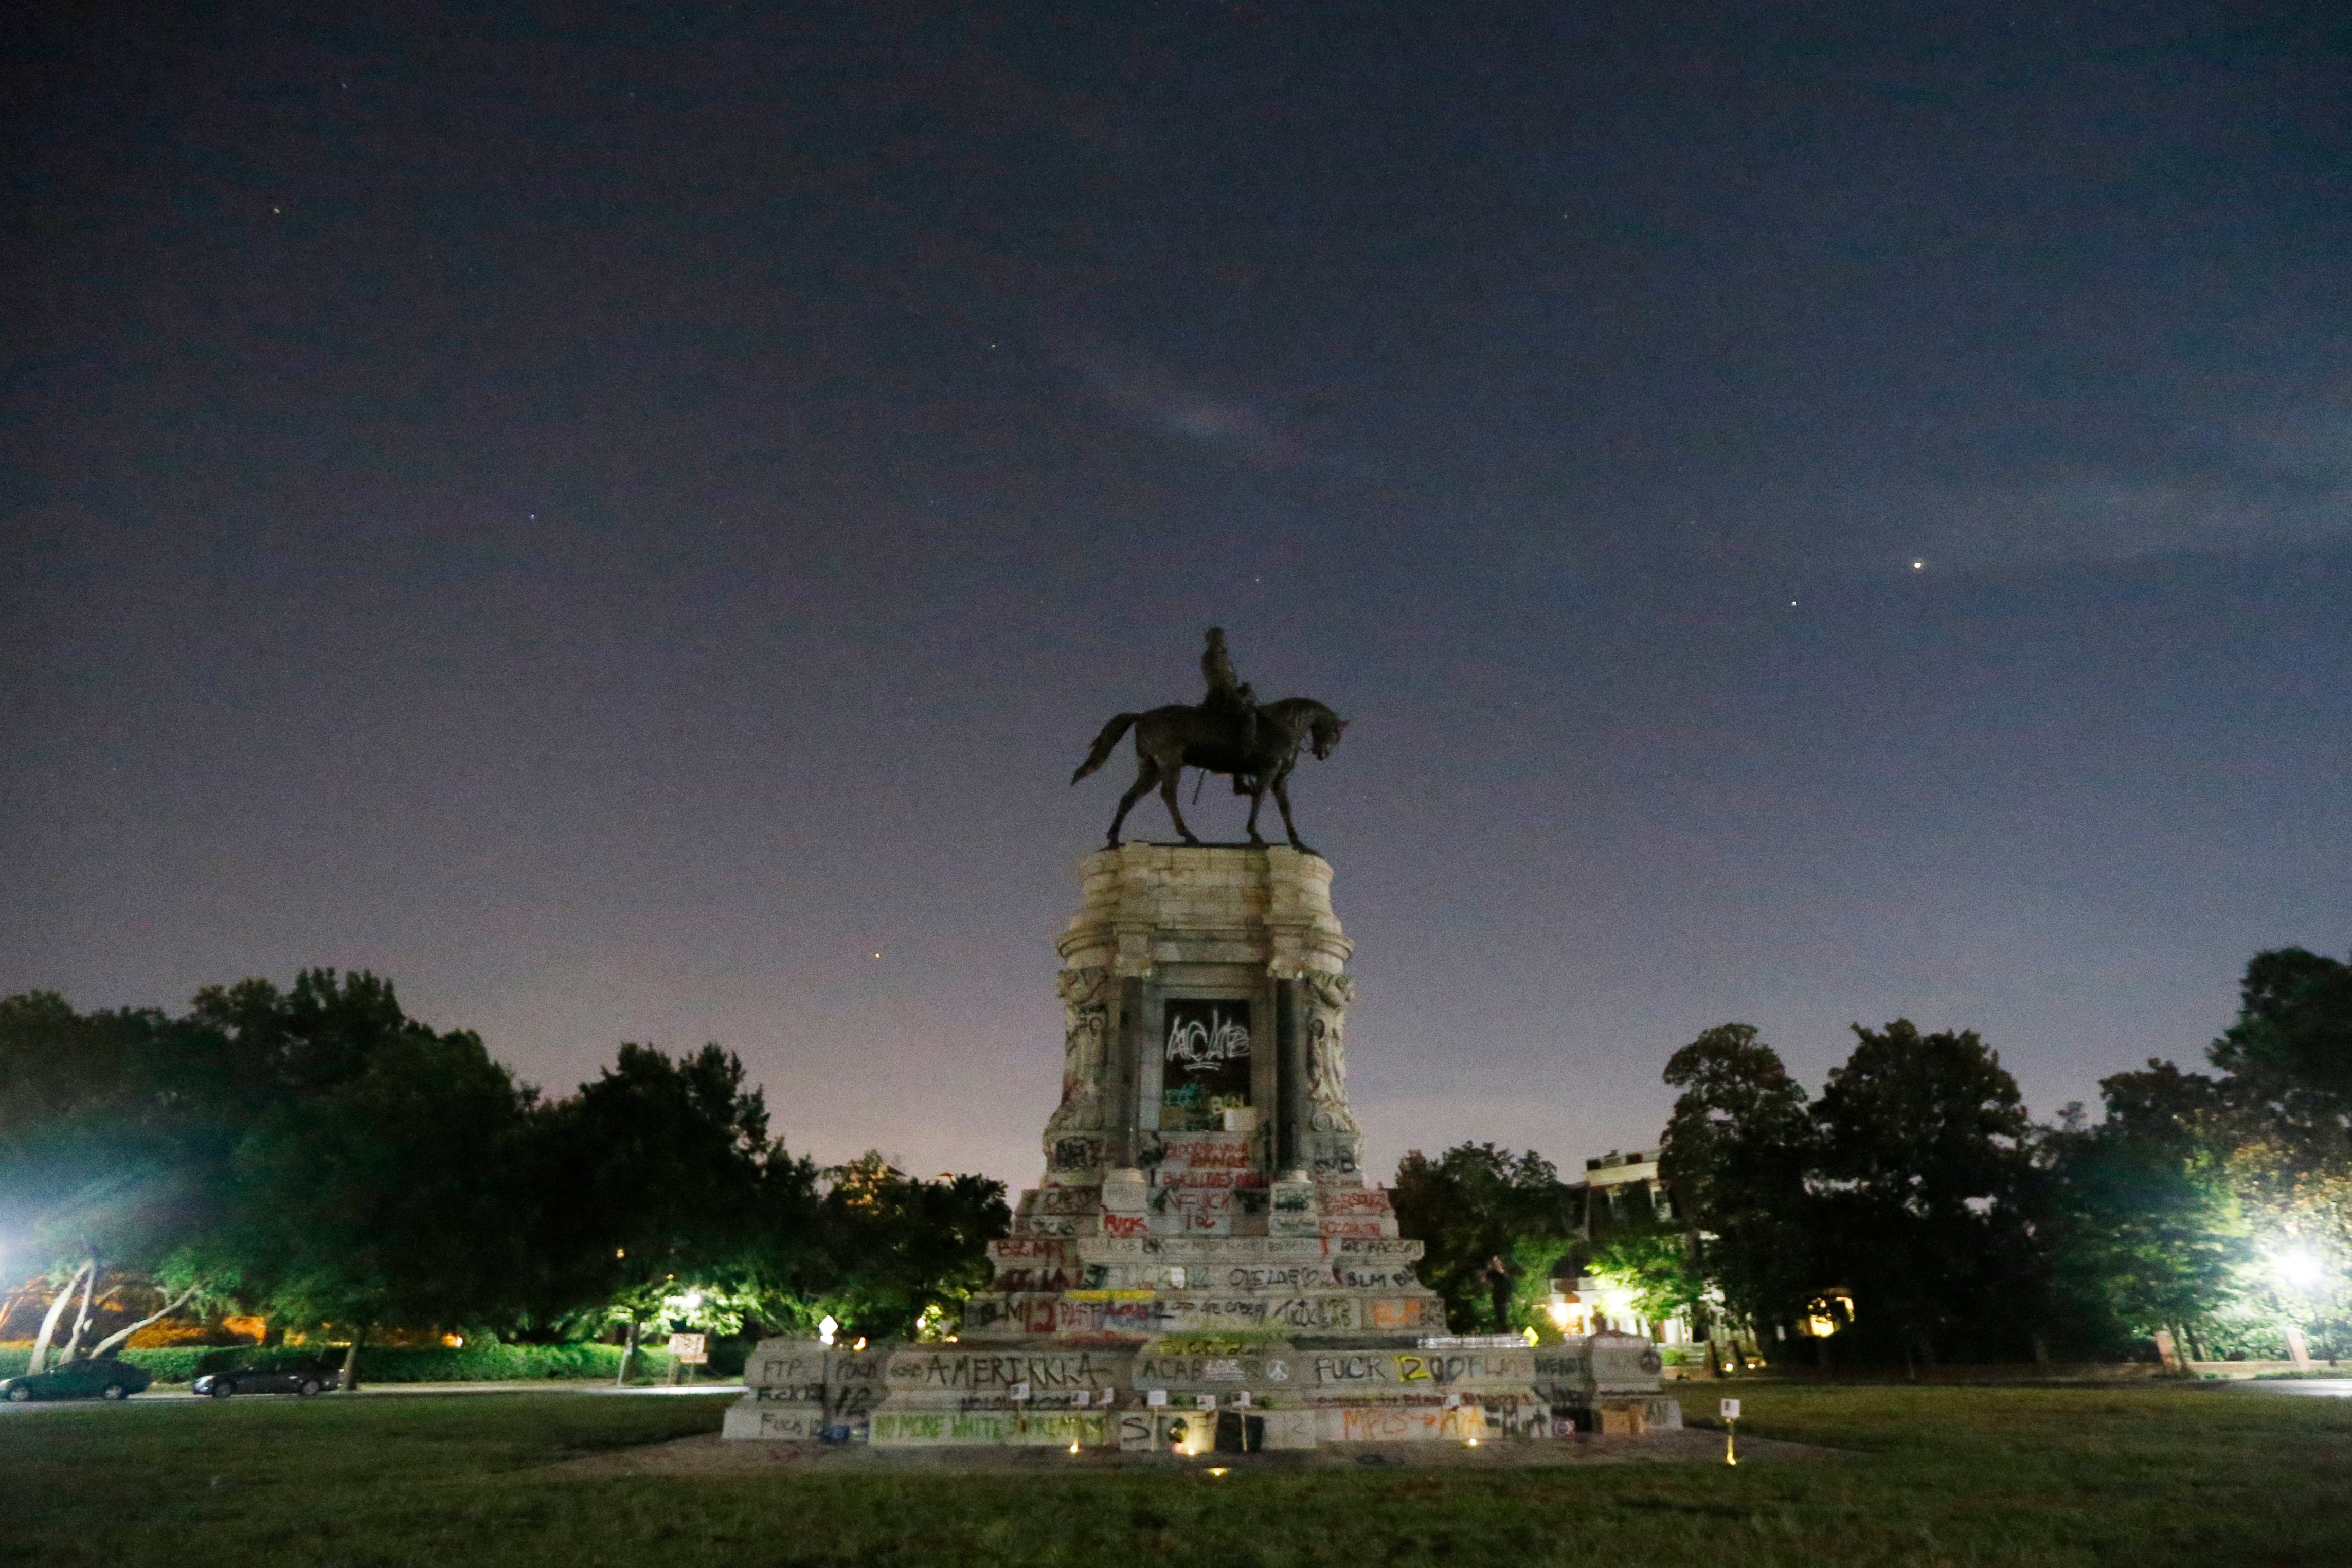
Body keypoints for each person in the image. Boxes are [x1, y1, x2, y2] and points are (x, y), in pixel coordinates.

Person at [1199, 627, 1259, 768]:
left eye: (1223, 640)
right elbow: (1221, 680)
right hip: (1222, 697)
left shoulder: (1220, 656)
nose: (1224, 642)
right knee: (1249, 715)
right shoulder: (1214, 656)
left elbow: (1228, 680)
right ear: (1215, 641)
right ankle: (1246, 752)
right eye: (1221, 640)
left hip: (1226, 694)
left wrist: (1241, 689)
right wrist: (1238, 693)